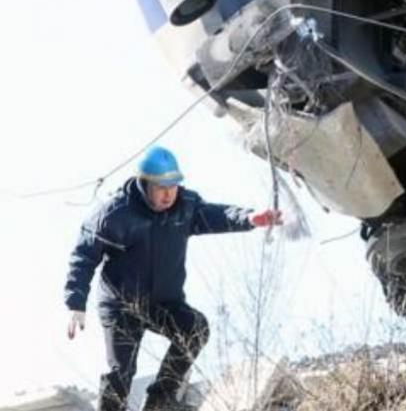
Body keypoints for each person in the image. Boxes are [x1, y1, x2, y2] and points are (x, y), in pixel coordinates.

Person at [64, 146, 283, 411]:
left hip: (163, 303)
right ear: (145, 184)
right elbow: (84, 255)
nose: (169, 194)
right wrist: (76, 302)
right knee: (121, 372)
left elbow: (215, 215)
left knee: (195, 328)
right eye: (161, 187)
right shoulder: (114, 214)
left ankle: (159, 401)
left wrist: (249, 218)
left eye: (173, 186)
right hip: (122, 307)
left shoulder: (185, 207)